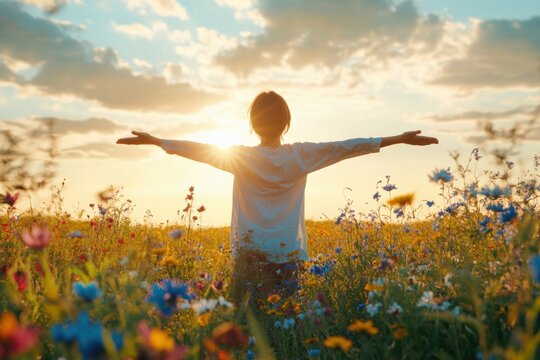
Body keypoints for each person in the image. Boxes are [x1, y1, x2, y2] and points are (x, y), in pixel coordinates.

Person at [116, 91, 438, 305]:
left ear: (253, 125)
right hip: (288, 254)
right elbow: (346, 146)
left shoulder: (239, 157)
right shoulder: (302, 155)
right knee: (287, 315)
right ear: (286, 123)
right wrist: (398, 139)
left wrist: (159, 141)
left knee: (247, 320)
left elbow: (198, 149)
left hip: (248, 251)